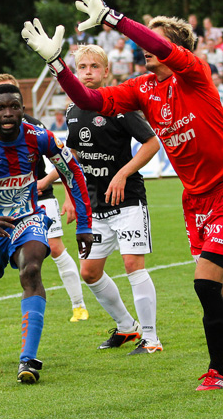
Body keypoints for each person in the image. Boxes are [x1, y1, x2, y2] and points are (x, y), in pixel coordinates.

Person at [22, 0, 223, 391]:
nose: (146, 48)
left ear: (175, 49)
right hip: (195, 200)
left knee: (203, 284)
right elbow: (87, 99)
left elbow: (151, 41)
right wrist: (56, 63)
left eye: (155, 41)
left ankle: (219, 372)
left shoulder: (193, 75)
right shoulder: (143, 88)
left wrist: (113, 19)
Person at [0, 83, 93, 383]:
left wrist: (83, 224)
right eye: (0, 108)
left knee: (31, 271)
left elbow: (72, 172)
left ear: (23, 109)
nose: (8, 113)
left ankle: (27, 360)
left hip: (28, 218)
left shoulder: (39, 137)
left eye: (14, 106)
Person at [0, 74, 88, 324]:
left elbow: (66, 165)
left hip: (39, 198)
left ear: (20, 101)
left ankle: (78, 305)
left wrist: (58, 190)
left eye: (12, 102)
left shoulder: (35, 128)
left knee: (51, 250)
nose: (7, 111)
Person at [63, 45, 163, 354]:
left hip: (128, 201)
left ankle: (151, 339)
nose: (88, 71)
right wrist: (69, 195)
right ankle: (126, 327)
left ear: (107, 71)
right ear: (76, 72)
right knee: (89, 272)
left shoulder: (119, 106)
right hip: (94, 206)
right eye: (82, 66)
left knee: (133, 264)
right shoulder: (72, 111)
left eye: (95, 66)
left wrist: (122, 173)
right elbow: (74, 156)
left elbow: (151, 143)